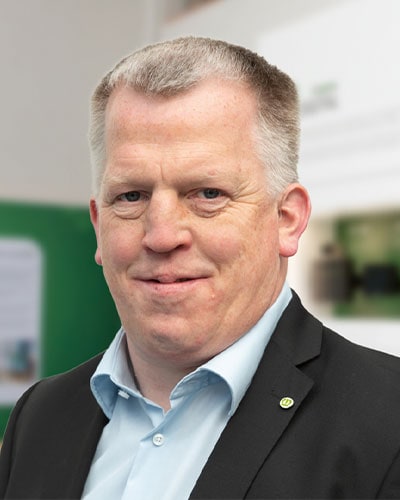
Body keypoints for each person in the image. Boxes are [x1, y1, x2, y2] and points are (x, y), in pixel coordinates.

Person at [1, 37, 400, 500]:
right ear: (98, 224)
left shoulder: (388, 422)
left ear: (286, 219)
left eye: (208, 194)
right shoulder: (40, 416)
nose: (162, 235)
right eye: (131, 196)